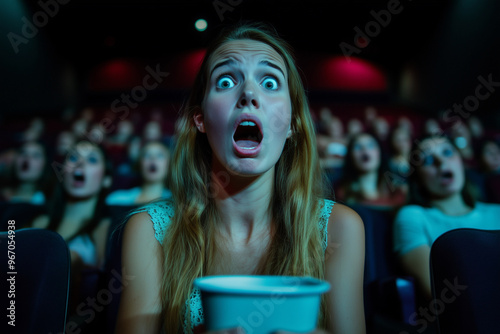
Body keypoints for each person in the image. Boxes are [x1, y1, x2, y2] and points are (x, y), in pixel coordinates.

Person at [115, 22, 366, 334]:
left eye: (270, 83)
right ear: (201, 119)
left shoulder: (339, 227)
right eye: (225, 80)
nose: (248, 92)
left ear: (292, 124)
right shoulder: (150, 231)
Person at [393, 135, 500, 301]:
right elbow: (438, 294)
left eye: (447, 152)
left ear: (461, 162)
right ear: (418, 179)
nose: (440, 162)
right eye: (427, 160)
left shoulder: (497, 212)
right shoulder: (413, 216)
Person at [30, 140, 113, 313]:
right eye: (74, 157)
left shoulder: (106, 228)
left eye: (91, 160)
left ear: (106, 179)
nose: (80, 163)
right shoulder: (39, 222)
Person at [335, 132, 406, 208]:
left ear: (380, 153)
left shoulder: (397, 191)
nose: (365, 150)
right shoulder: (343, 193)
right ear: (350, 156)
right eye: (357, 147)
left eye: (370, 146)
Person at [106, 140, 172, 205]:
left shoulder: (176, 202)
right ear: (139, 164)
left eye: (160, 155)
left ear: (169, 165)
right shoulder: (117, 200)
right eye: (147, 155)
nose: (153, 158)